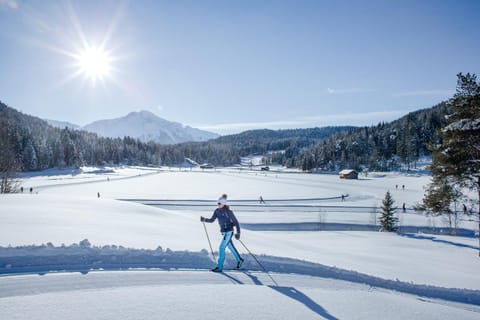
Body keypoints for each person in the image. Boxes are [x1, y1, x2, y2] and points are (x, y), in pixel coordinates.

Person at [200, 194, 244, 272]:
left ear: (223, 204)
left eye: (219, 203)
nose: (218, 204)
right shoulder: (217, 211)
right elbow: (212, 220)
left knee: (221, 247)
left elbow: (236, 222)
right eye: (218, 203)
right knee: (230, 247)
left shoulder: (228, 212)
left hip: (229, 231)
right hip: (224, 232)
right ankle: (239, 260)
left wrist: (238, 233)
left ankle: (219, 267)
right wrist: (205, 219)